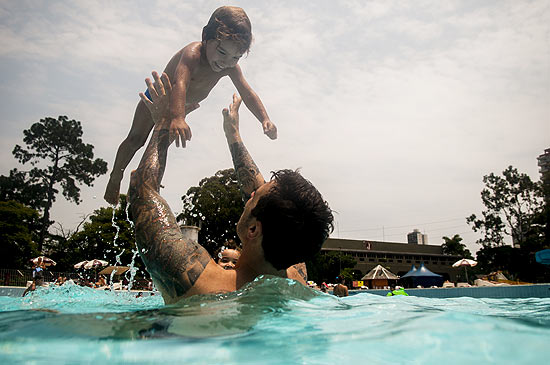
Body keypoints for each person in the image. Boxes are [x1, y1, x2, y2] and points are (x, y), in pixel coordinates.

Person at [128, 72, 333, 304]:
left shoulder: (198, 280)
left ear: (254, 230)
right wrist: (233, 135)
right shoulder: (297, 273)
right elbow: (273, 208)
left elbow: (142, 190)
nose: (252, 192)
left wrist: (162, 123)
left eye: (254, 197)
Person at [105, 5, 276, 205]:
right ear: (205, 36)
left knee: (161, 149)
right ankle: (116, 175)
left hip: (180, 109)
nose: (225, 62)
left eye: (235, 57)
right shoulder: (193, 54)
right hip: (160, 98)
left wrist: (265, 118)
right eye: (221, 52)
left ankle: (145, 182)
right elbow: (181, 83)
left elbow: (247, 93)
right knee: (136, 139)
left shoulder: (229, 67)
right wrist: (178, 117)